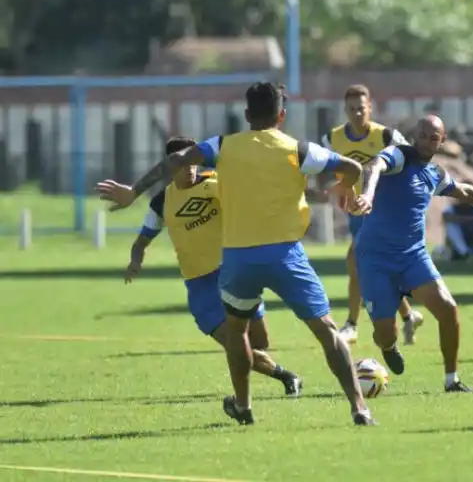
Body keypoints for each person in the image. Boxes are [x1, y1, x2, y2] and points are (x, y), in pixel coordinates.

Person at [95, 81, 375, 427]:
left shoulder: (223, 146)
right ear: (282, 115)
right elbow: (353, 167)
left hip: (239, 259)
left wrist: (133, 191)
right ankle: (359, 407)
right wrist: (346, 187)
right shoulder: (297, 149)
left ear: (246, 114)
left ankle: (243, 406)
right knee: (327, 330)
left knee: (238, 334)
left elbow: (177, 159)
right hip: (286, 255)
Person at [352, 115, 473, 391]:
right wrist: (369, 196)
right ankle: (388, 346)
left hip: (413, 257)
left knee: (448, 309)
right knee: (385, 333)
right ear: (414, 136)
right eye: (422, 135)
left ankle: (451, 380)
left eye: (433, 137)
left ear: (441, 142)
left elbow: (464, 191)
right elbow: (374, 166)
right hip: (376, 260)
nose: (426, 141)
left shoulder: (435, 174)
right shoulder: (398, 156)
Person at [127, 136, 301, 397]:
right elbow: (142, 240)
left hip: (233, 273)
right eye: (183, 163)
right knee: (234, 344)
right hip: (200, 285)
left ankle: (279, 375)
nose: (190, 167)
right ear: (171, 167)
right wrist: (135, 259)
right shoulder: (161, 203)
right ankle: (286, 376)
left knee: (261, 342)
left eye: (193, 161)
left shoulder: (215, 183)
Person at [320, 84, 424, 346]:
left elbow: (411, 162)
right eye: (352, 109)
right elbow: (319, 167)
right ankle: (409, 316)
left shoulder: (387, 136)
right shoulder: (332, 139)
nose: (357, 113)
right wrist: (333, 186)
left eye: (362, 108)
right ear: (345, 110)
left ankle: (351, 324)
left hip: (383, 210)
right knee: (374, 267)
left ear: (370, 108)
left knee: (355, 261)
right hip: (357, 212)